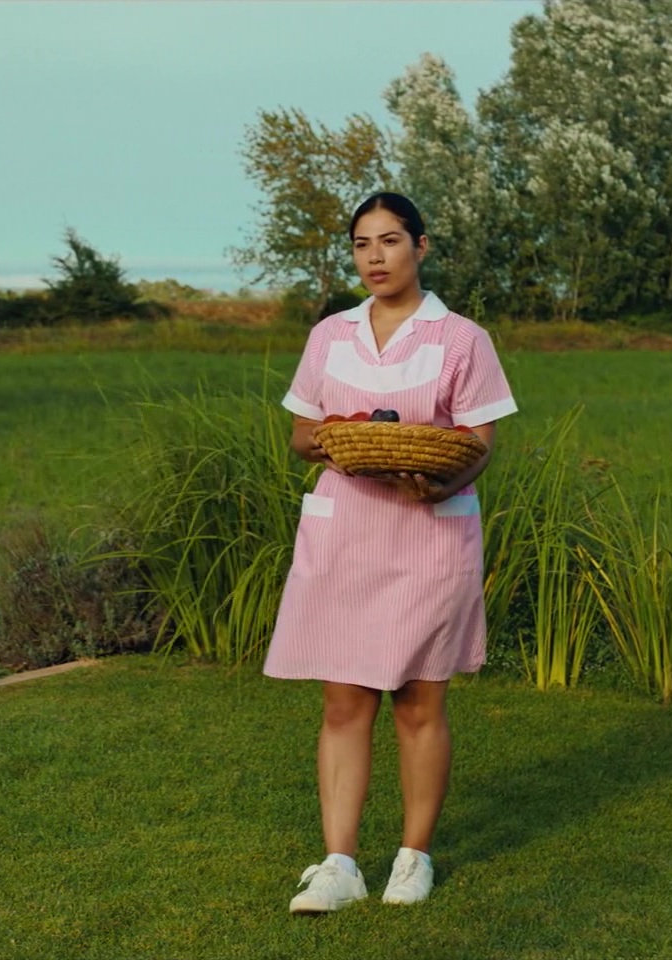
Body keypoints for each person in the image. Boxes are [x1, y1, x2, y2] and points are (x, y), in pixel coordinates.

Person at [265, 191, 518, 914]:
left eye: (389, 241)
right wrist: (339, 440)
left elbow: (478, 445)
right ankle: (339, 865)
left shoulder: (462, 338)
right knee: (343, 702)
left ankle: (414, 858)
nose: (374, 258)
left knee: (417, 701)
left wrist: (440, 486)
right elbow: (302, 433)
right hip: (344, 530)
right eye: (361, 244)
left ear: (421, 246)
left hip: (427, 535)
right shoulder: (330, 336)